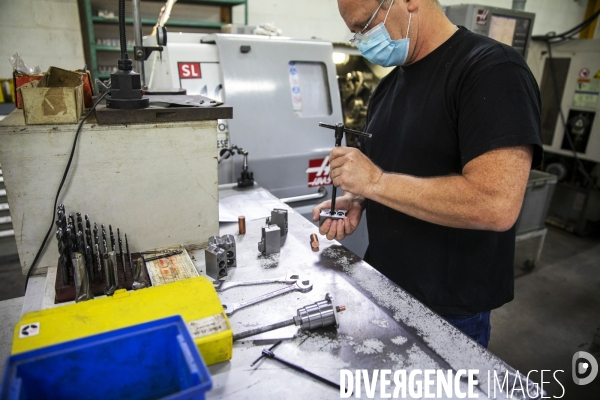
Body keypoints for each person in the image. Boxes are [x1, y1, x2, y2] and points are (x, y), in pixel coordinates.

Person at [313, 0, 543, 348]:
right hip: (387, 287)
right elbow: (396, 172)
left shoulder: (492, 70)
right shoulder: (388, 88)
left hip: (448, 312)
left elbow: (495, 204)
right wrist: (360, 198)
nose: (361, 39)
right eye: (354, 32)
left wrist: (376, 183)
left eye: (366, 25)